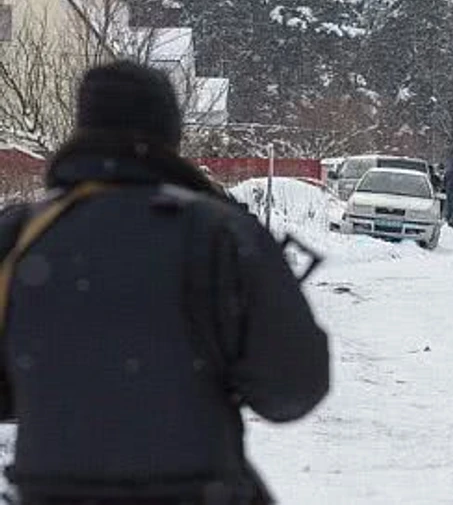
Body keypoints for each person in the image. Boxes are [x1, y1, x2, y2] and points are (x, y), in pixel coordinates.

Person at [0, 62, 330, 505]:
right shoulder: (220, 234)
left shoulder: (20, 235)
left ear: (83, 129)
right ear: (170, 135)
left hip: (49, 490)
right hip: (197, 489)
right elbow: (292, 387)